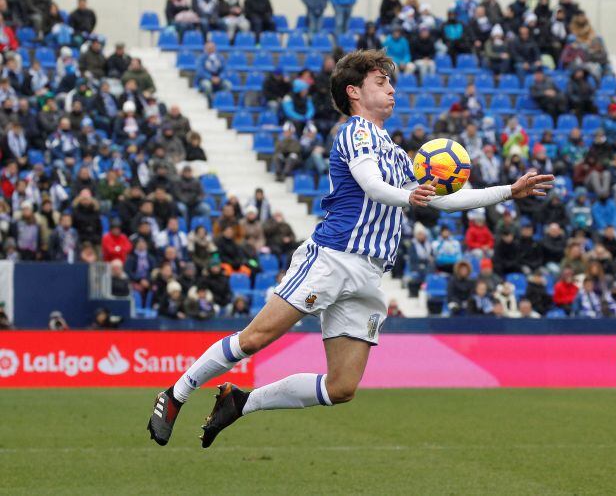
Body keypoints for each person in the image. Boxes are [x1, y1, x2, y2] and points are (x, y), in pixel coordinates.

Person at [147, 50, 553, 447]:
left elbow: (443, 199)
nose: (392, 89)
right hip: (332, 258)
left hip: (370, 275)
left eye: (390, 81)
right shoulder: (355, 132)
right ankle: (175, 394)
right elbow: (371, 185)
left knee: (342, 387)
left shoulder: (394, 152)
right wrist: (407, 197)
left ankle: (241, 402)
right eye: (382, 82)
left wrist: (507, 192)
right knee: (254, 340)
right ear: (355, 92)